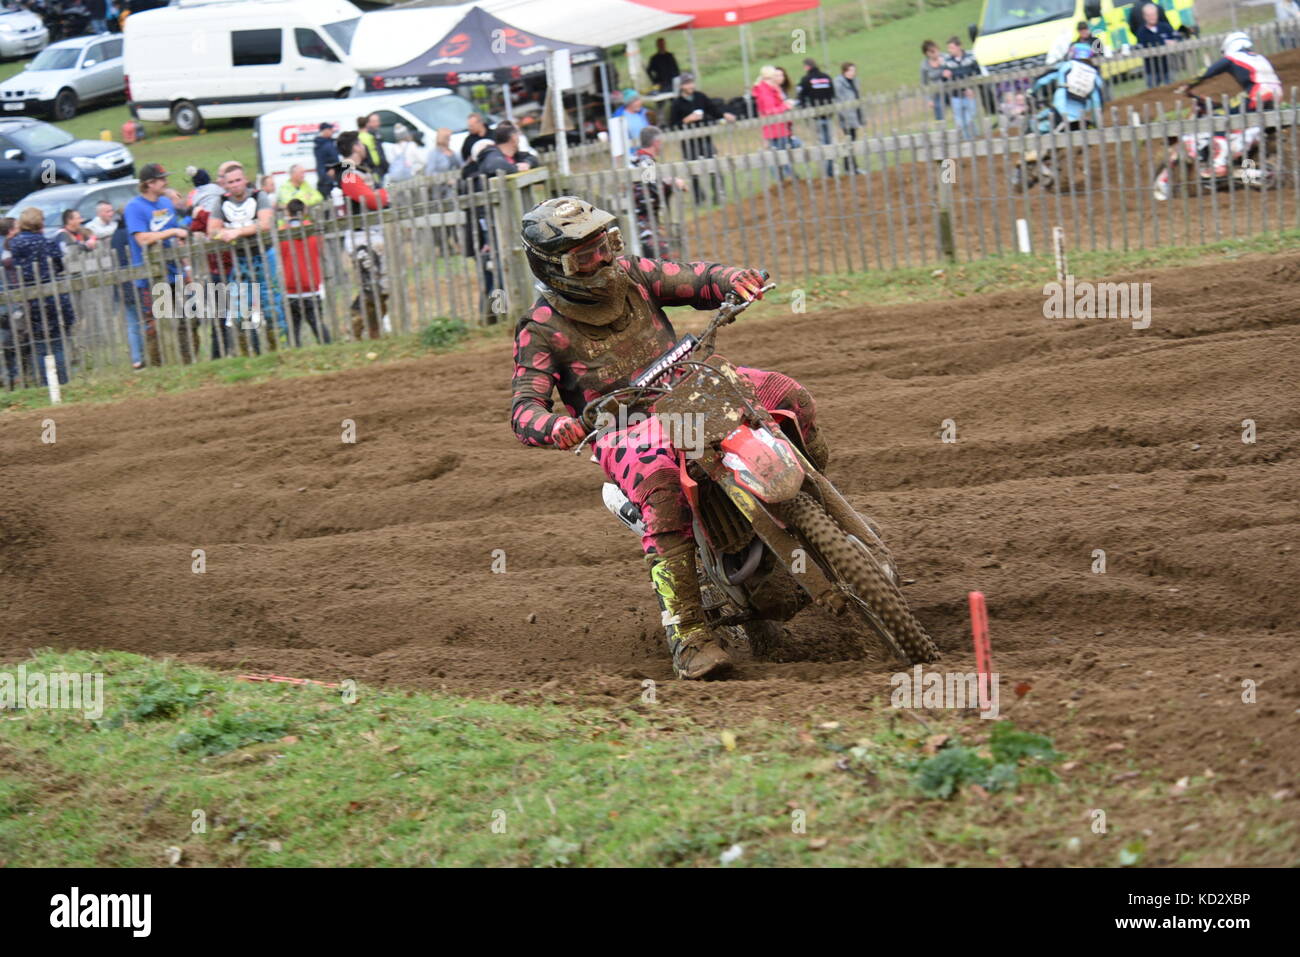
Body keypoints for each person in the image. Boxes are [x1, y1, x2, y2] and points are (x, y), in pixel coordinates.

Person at [510, 196, 828, 679]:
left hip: (690, 386)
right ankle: (687, 633)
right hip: (622, 428)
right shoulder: (542, 328)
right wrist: (556, 425)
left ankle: (819, 521)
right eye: (584, 255)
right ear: (552, 267)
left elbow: (695, 278)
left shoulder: (634, 274)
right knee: (662, 487)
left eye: (607, 244)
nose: (602, 260)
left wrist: (731, 280)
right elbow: (523, 408)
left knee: (788, 394)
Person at [125, 163, 190, 365]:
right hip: (150, 278)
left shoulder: (166, 203)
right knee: (155, 326)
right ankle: (159, 369)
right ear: (149, 184)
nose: (166, 182)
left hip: (174, 272)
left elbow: (175, 229)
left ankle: (189, 365)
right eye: (161, 179)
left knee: (186, 321)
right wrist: (171, 233)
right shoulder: (134, 207)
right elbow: (142, 239)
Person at [208, 162, 275, 355]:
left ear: (245, 180)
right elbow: (212, 230)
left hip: (264, 256)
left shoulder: (258, 196)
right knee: (241, 312)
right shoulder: (221, 202)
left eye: (238, 180)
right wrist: (224, 233)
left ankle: (277, 351)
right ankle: (248, 355)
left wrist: (237, 232)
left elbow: (265, 224)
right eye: (231, 182)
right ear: (225, 185)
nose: (236, 184)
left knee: (272, 307)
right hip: (241, 261)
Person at [10, 207, 76, 385]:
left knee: (38, 345)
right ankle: (62, 382)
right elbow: (59, 265)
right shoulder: (48, 243)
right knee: (57, 342)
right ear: (40, 223)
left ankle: (45, 384)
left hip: (30, 301)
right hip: (53, 298)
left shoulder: (14, 245)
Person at [667, 71, 734, 204]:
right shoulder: (677, 103)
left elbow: (713, 110)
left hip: (705, 139)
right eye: (687, 83)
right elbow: (672, 125)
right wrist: (686, 120)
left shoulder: (700, 97)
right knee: (694, 171)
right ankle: (699, 198)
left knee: (714, 166)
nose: (691, 86)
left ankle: (719, 195)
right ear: (681, 86)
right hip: (688, 142)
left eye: (692, 82)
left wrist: (723, 115)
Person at [1177, 32, 1283, 113]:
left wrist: (1189, 85)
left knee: (1222, 114)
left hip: (1257, 93)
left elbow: (1208, 71)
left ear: (1230, 46)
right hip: (1277, 92)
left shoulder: (1232, 57)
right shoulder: (1260, 57)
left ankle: (1221, 140)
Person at [629, 126, 685, 258]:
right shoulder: (645, 160)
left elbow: (651, 180)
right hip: (642, 217)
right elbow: (652, 187)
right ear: (656, 142)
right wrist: (672, 183)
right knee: (661, 258)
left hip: (644, 217)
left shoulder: (639, 157)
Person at [279, 199, 329, 346]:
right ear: (305, 212)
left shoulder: (281, 233)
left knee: (293, 329)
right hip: (311, 284)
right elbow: (320, 250)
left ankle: (295, 356)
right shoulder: (313, 231)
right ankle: (328, 349)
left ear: (287, 213)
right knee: (318, 325)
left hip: (290, 286)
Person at [753, 65, 795, 181]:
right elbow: (769, 111)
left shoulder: (770, 89)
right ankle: (789, 180)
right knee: (781, 157)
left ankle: (786, 180)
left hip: (779, 128)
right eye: (773, 77)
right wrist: (785, 106)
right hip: (776, 129)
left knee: (779, 156)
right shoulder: (764, 91)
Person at [797, 57, 836, 176]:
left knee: (820, 144)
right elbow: (832, 93)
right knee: (830, 143)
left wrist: (804, 111)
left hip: (815, 117)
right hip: (828, 114)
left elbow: (801, 97)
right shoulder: (826, 77)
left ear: (807, 67)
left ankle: (824, 172)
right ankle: (831, 170)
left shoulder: (805, 79)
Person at [944, 36, 981, 140]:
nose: (949, 50)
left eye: (951, 47)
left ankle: (977, 139)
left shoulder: (970, 56)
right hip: (956, 96)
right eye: (948, 48)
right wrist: (945, 75)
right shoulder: (947, 61)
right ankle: (967, 142)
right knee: (961, 123)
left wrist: (972, 89)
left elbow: (977, 73)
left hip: (970, 94)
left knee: (970, 120)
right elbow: (945, 77)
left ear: (959, 46)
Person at [1135, 3, 1177, 88]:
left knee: (1172, 89)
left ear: (1157, 14)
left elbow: (1178, 37)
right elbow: (1141, 47)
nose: (1152, 17)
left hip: (1167, 66)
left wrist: (1174, 42)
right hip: (1152, 70)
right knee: (1153, 92)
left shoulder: (1165, 27)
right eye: (1149, 15)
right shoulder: (1141, 32)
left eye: (1153, 14)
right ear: (1144, 16)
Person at [833, 62, 864, 174]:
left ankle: (853, 167)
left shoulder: (855, 81)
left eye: (853, 70)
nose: (852, 73)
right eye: (850, 70)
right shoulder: (838, 83)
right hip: (846, 117)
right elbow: (838, 99)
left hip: (854, 114)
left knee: (852, 141)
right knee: (848, 141)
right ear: (844, 71)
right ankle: (849, 168)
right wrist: (844, 114)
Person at [612, 89, 649, 157]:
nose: (640, 102)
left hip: (646, 153)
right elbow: (616, 141)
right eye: (637, 101)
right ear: (630, 103)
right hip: (630, 156)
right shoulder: (619, 116)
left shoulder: (644, 113)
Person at [921, 41, 948, 122]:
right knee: (940, 118)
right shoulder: (924, 65)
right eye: (932, 51)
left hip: (951, 89)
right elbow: (924, 83)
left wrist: (943, 64)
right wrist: (929, 99)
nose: (936, 53)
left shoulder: (945, 57)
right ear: (927, 53)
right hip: (937, 93)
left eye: (937, 50)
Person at [358, 113, 389, 182]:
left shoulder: (374, 134)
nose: (378, 123)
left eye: (378, 121)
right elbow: (375, 153)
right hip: (374, 168)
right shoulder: (369, 136)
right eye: (374, 121)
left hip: (376, 167)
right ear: (367, 124)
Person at [313, 123, 340, 194]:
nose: (332, 131)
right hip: (327, 179)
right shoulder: (322, 145)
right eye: (330, 129)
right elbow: (321, 164)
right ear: (324, 131)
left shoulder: (328, 143)